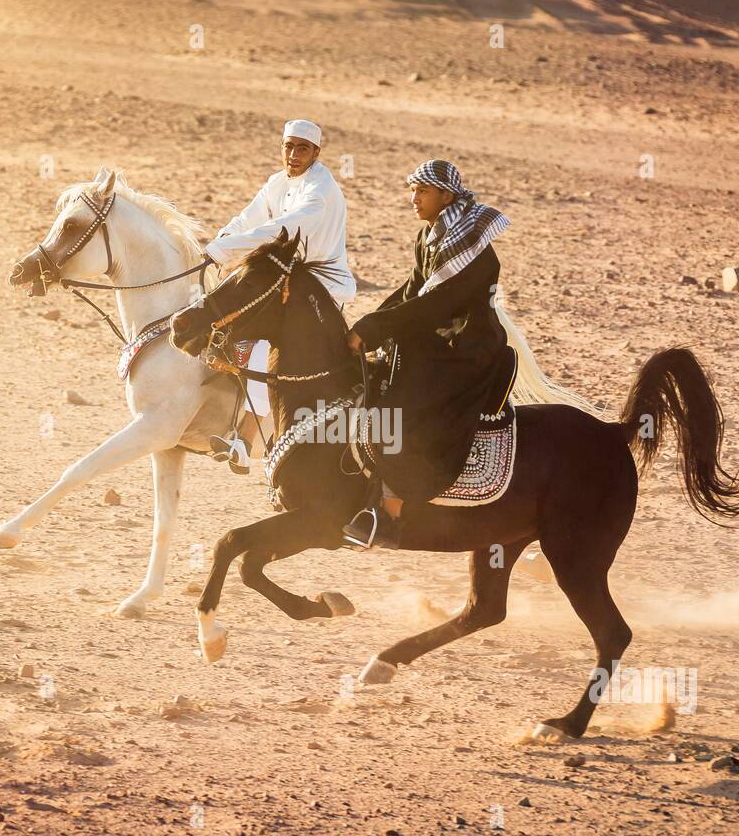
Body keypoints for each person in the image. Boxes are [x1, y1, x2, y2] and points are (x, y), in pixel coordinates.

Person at [342, 159, 515, 550]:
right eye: (413, 190)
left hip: (468, 351)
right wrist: (368, 323)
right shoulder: (429, 236)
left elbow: (437, 304)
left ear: (446, 195)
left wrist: (376, 328)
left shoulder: (470, 245)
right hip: (439, 341)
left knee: (406, 409)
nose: (413, 199)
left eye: (422, 191)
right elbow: (412, 291)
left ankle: (390, 515)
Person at [204, 119, 356, 472]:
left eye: (302, 148)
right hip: (287, 279)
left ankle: (247, 440)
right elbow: (248, 218)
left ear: (316, 153)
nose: (293, 154)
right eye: (288, 146)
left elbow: (283, 229)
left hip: (320, 286)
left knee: (261, 349)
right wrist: (223, 238)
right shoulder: (277, 183)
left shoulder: (321, 189)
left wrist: (223, 251)